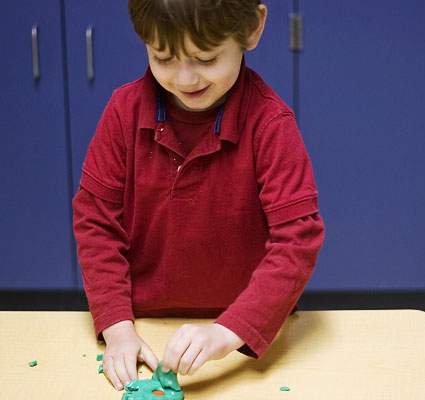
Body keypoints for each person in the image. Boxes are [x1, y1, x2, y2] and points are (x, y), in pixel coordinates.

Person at [72, 0, 324, 391]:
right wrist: (118, 327)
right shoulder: (123, 112)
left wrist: (228, 331)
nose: (185, 79)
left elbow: (297, 242)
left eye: (206, 58)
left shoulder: (271, 125)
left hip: (239, 336)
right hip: (142, 328)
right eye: (163, 58)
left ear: (253, 28)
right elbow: (95, 223)